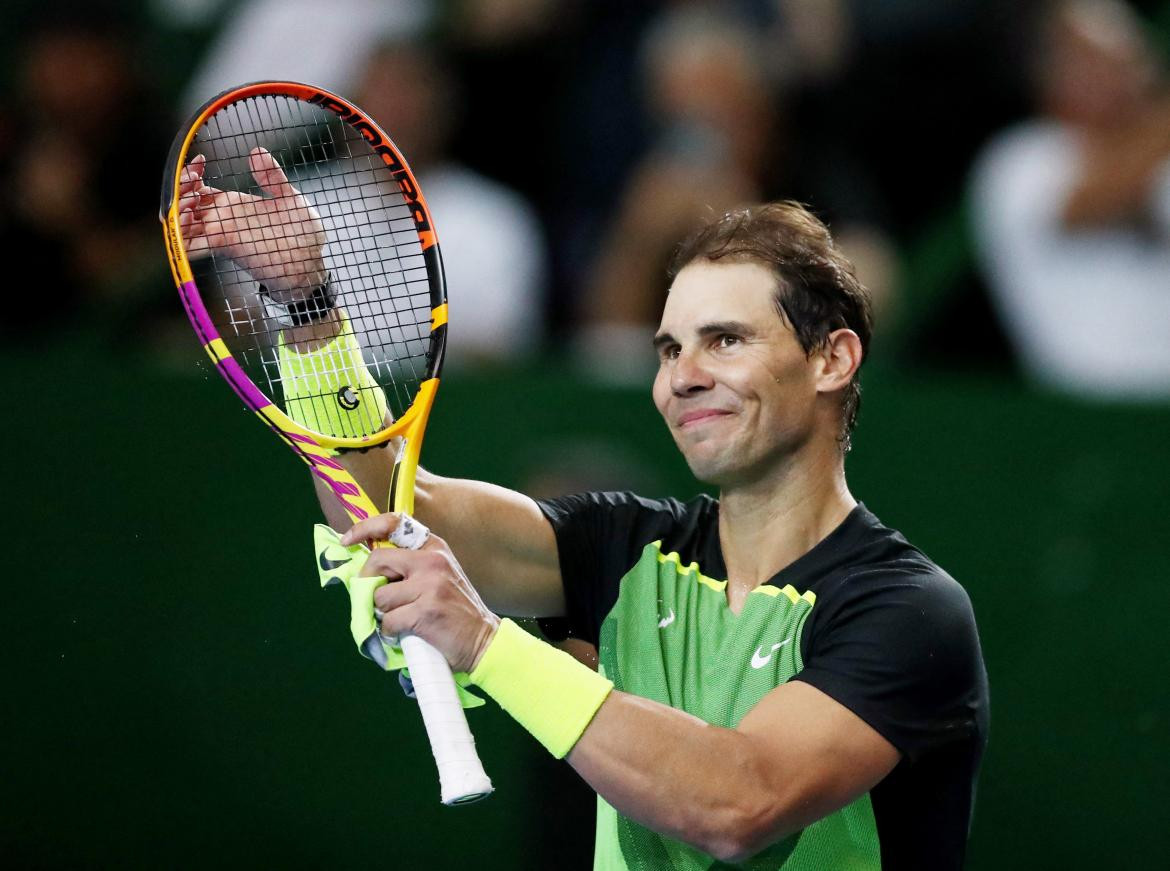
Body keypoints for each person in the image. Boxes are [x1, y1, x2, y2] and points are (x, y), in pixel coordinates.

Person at [180, 156, 988, 867]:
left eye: (725, 340)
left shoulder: (909, 612)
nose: (683, 376)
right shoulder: (618, 548)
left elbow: (740, 804)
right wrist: (307, 304)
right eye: (669, 349)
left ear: (832, 359)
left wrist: (488, 644)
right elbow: (389, 497)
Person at [970, 0, 1170, 398]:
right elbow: (1089, 202)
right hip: (1082, 420)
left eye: (1130, 57)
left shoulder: (1159, 168)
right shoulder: (1021, 160)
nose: (1123, 74)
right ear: (1052, 72)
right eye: (1099, 58)